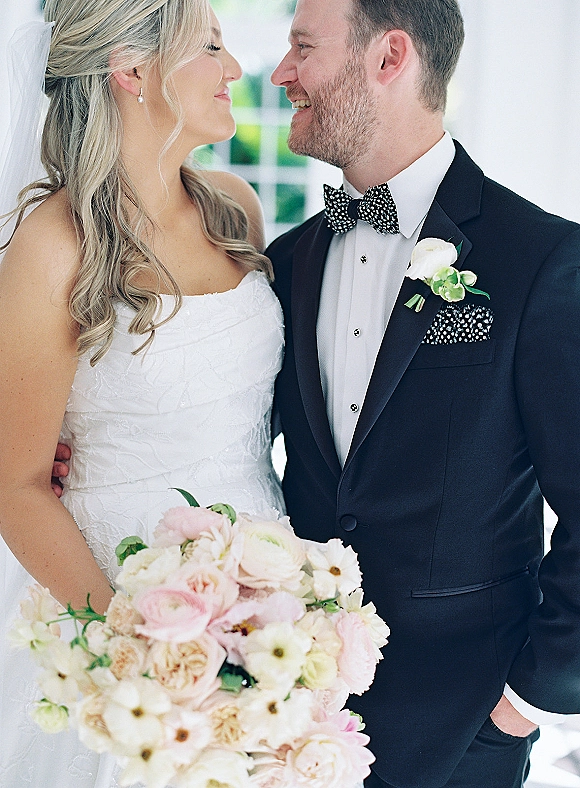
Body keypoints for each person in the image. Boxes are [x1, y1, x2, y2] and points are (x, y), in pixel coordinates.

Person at [266, 0, 580, 786]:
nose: (281, 74)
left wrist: (525, 705)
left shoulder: (539, 259)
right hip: (283, 714)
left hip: (463, 731)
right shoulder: (286, 262)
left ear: (388, 57)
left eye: (303, 47)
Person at [0, 1, 284, 785]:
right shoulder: (54, 246)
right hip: (113, 598)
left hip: (268, 599)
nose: (234, 69)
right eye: (213, 47)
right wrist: (140, 654)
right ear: (132, 70)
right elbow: (17, 486)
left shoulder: (235, 209)